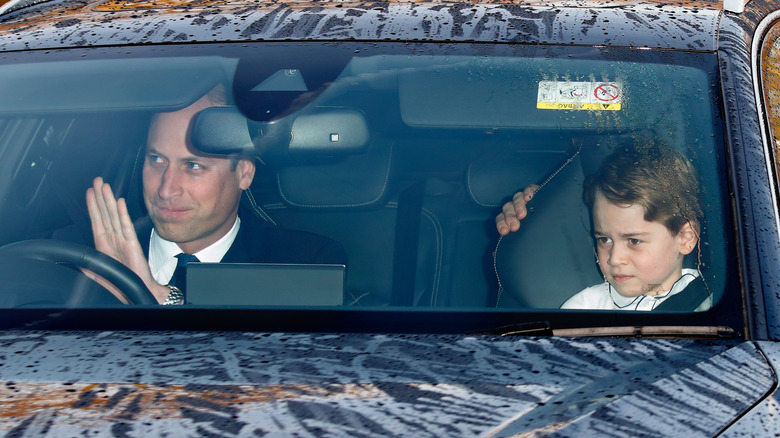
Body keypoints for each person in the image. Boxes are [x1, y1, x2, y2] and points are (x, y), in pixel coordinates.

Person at [85, 85, 345, 305]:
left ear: (244, 172)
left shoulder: (303, 265)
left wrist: (154, 296)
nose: (166, 189)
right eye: (157, 159)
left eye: (193, 166)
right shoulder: (81, 256)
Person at [495, 144, 710, 311]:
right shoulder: (585, 308)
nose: (614, 259)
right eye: (604, 239)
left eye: (634, 241)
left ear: (685, 238)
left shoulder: (712, 300)